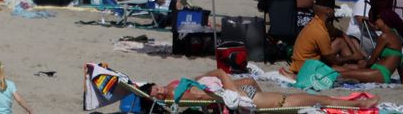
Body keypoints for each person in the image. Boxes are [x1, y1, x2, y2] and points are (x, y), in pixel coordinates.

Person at [143, 69, 378, 110]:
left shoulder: (177, 88)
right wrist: (220, 76)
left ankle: (357, 103)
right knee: (320, 101)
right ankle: (358, 104)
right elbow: (215, 91)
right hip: (263, 102)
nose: (160, 90)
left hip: (255, 95)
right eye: (156, 93)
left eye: (155, 87)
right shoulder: (177, 94)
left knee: (318, 98)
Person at [283, 0, 365, 77]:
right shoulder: (321, 32)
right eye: (333, 9)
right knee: (353, 72)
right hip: (307, 69)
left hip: (302, 63)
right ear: (328, 10)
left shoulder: (317, 22)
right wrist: (353, 57)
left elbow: (342, 34)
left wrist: (356, 54)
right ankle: (356, 64)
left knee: (340, 42)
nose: (334, 11)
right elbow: (333, 60)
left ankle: (357, 63)